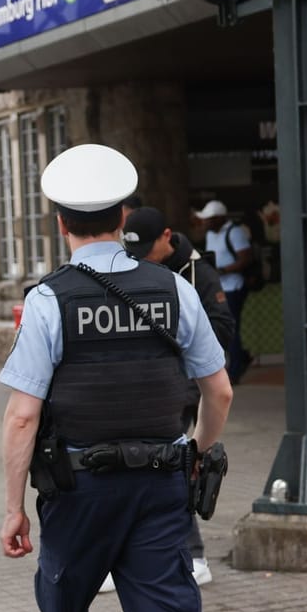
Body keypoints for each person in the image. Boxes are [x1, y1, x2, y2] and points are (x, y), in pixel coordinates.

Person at [0, 144, 233, 612]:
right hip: (160, 484)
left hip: (79, 490)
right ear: (122, 217)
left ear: (61, 223)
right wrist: (196, 452)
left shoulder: (47, 301)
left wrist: (14, 508)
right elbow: (220, 390)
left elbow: (22, 417)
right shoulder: (175, 290)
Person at [111, 206, 238, 590]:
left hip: (182, 385)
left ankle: (194, 555)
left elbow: (222, 330)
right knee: (131, 467)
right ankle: (124, 556)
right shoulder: (131, 265)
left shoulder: (199, 274)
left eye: (148, 249)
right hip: (142, 384)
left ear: (167, 237)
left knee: (175, 464)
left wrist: (174, 343)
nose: (141, 259)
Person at [197, 199, 254, 384]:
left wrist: (223, 270)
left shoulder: (234, 232)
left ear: (220, 218)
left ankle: (236, 368)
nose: (205, 222)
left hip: (234, 286)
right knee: (221, 325)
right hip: (219, 287)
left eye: (209, 219)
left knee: (231, 327)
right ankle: (241, 358)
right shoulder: (210, 235)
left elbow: (246, 258)